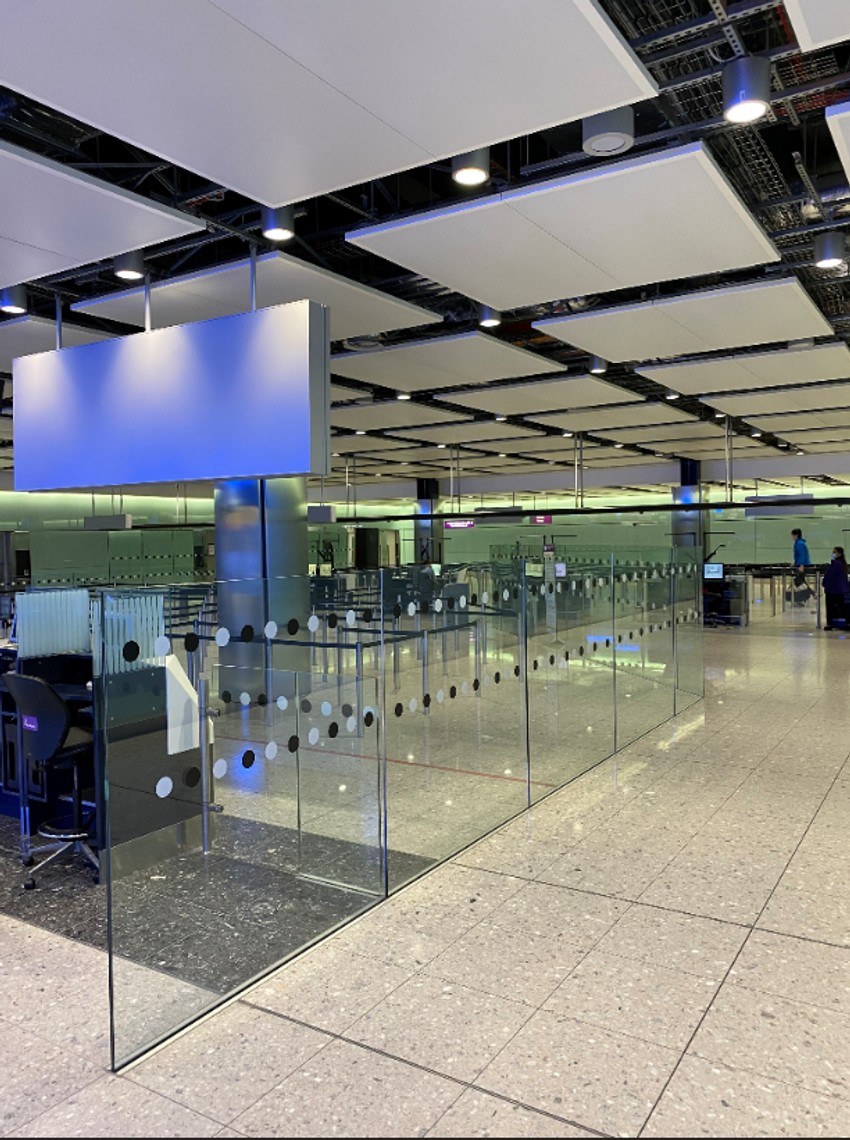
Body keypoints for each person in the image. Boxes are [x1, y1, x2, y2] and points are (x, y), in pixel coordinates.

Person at [822, 545, 848, 631]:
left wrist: (824, 583)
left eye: (834, 552)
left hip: (832, 589)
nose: (833, 554)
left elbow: (830, 576)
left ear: (839, 553)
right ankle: (847, 622)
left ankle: (829, 624)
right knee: (842, 607)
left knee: (830, 607)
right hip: (840, 589)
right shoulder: (843, 564)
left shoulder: (836, 564)